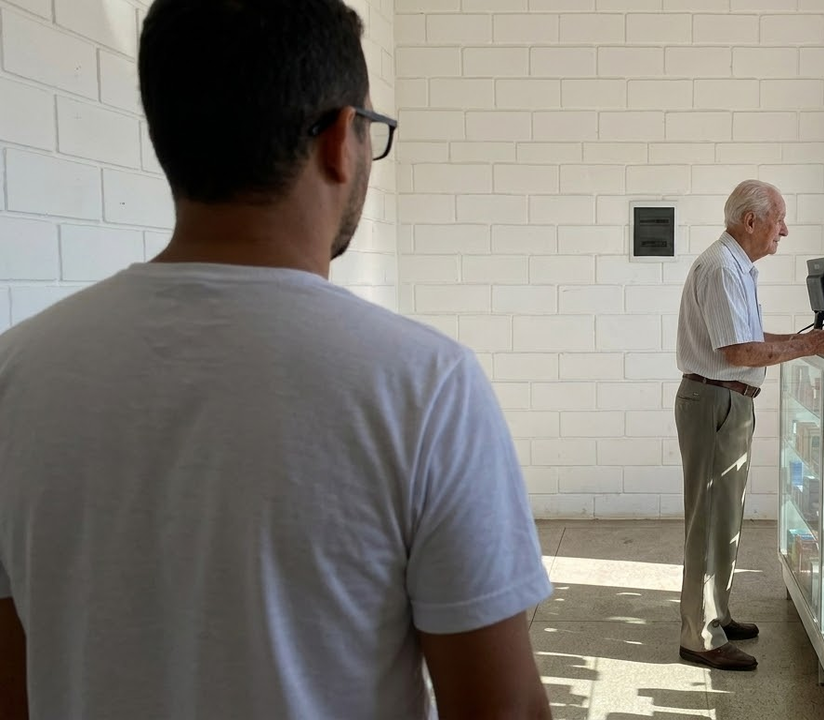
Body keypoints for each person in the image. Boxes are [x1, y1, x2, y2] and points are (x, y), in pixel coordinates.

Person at [0, 2, 553, 719]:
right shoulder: (425, 385)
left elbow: (14, 688)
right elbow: (499, 708)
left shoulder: (17, 374)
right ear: (340, 138)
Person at [674, 180, 824, 672]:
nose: (783, 231)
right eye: (779, 220)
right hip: (715, 401)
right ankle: (698, 636)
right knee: (708, 522)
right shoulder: (722, 268)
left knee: (725, 518)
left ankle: (716, 613)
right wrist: (808, 347)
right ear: (752, 221)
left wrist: (797, 338)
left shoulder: (736, 267)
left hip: (727, 401)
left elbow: (746, 338)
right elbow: (739, 353)